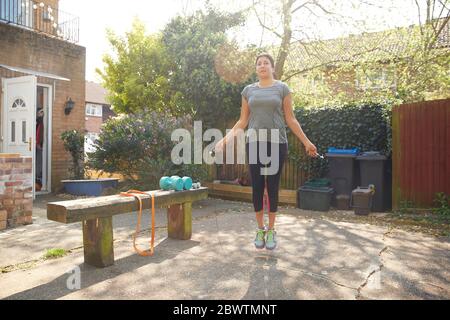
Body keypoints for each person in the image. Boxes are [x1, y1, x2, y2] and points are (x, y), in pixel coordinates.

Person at [215, 53, 318, 250]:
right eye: (259, 63)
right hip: (254, 143)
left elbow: (291, 119)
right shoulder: (248, 91)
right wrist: (225, 140)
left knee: (271, 186)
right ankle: (260, 228)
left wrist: (307, 142)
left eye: (266, 63)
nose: (262, 66)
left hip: (277, 144)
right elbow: (242, 121)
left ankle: (271, 230)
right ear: (256, 69)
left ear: (272, 68)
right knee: (257, 187)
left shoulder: (282, 88)